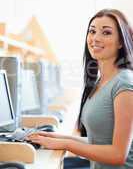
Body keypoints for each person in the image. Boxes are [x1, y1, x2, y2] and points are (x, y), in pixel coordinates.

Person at [27, 9, 133, 169]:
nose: (96, 38)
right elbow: (97, 141)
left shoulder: (124, 83)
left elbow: (118, 155)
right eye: (92, 31)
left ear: (120, 42)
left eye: (106, 32)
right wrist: (58, 138)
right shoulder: (100, 81)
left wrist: (66, 145)